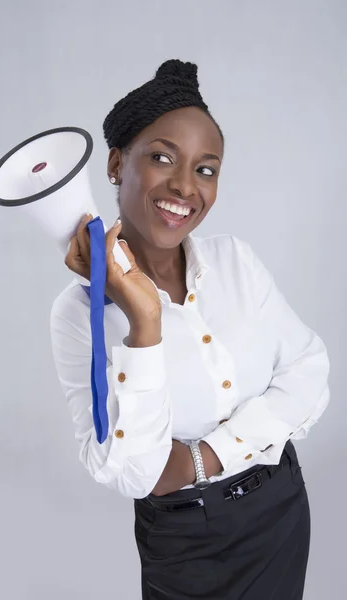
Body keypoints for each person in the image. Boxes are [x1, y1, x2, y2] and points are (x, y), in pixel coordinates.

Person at [50, 59, 330, 599]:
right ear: (115, 164)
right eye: (161, 158)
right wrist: (145, 323)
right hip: (186, 541)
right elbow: (140, 475)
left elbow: (308, 370)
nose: (185, 186)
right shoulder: (77, 314)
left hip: (280, 509)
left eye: (206, 169)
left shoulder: (235, 261)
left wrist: (206, 456)